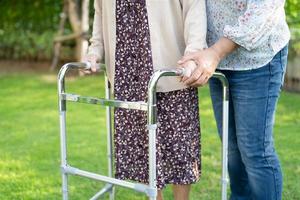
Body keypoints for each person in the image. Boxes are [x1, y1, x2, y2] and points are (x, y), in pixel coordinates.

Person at [85, 0, 207, 199]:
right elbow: (100, 12)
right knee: (143, 147)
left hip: (172, 66)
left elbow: (194, 7)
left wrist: (194, 52)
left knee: (180, 145)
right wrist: (94, 51)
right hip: (127, 71)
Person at [179, 0, 290, 199]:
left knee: (254, 151)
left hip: (258, 58)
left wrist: (215, 52)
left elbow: (263, 10)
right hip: (219, 62)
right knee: (231, 148)